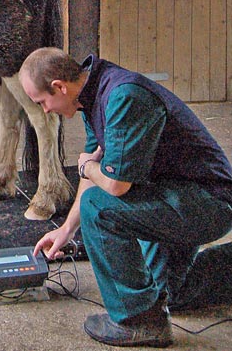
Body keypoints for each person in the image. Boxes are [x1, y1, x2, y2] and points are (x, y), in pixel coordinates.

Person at [19, 47, 232, 348]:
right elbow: (91, 175)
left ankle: (139, 322)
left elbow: (114, 185)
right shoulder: (90, 98)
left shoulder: (123, 97)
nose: (46, 111)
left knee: (100, 209)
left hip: (207, 203)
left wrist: (88, 166)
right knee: (170, 293)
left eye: (42, 102)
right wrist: (66, 230)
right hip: (173, 195)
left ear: (59, 87)